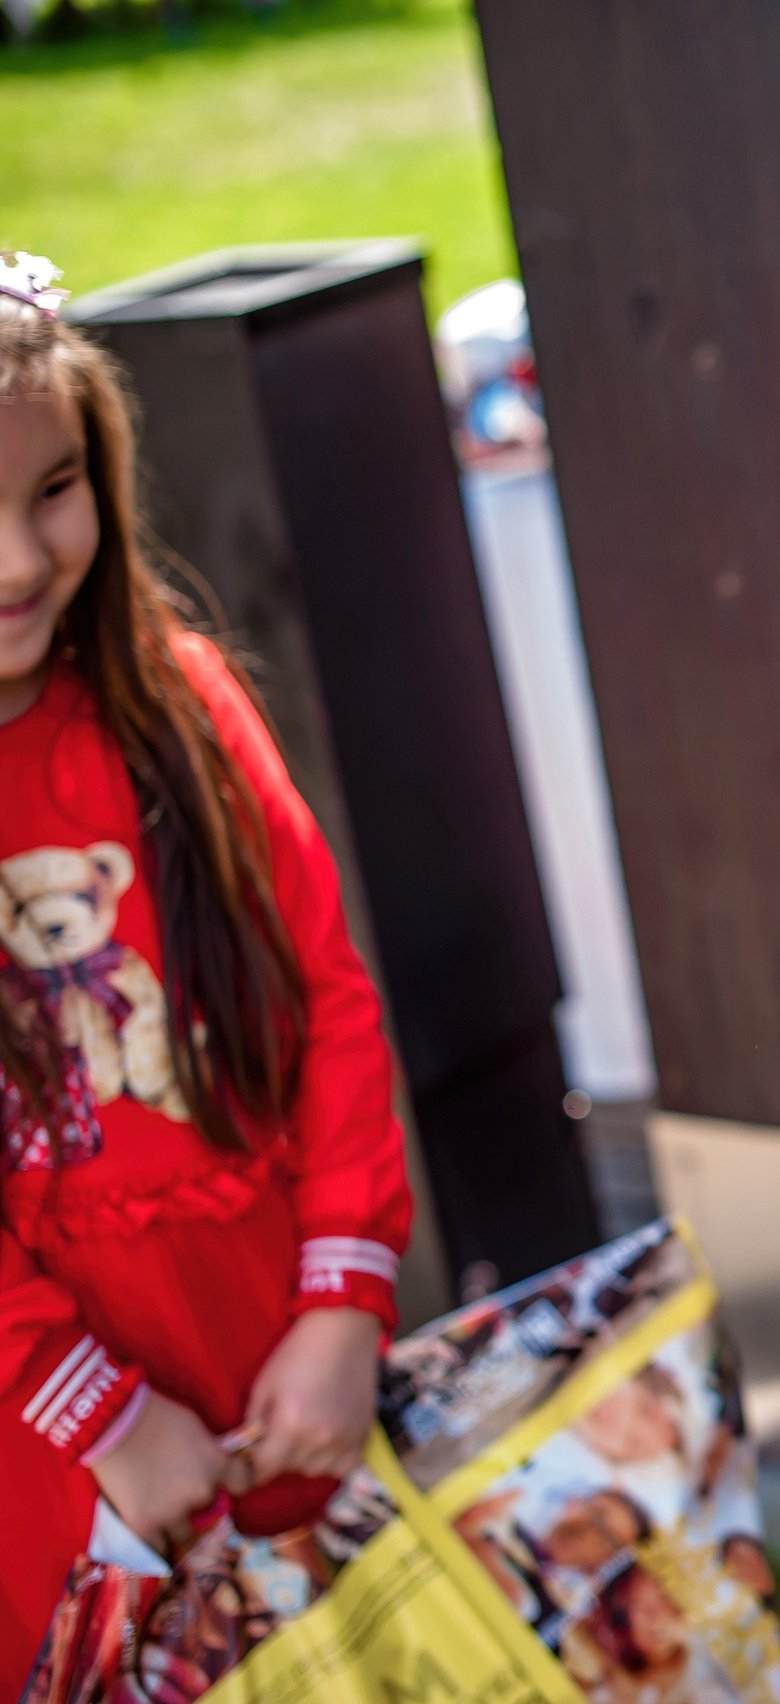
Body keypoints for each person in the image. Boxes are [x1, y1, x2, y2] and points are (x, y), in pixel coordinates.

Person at [0, 256, 410, 1691]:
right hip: (44, 1445)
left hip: (274, 1356)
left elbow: (330, 1003)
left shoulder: (180, 700)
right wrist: (98, 1417)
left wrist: (341, 1301)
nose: (19, 561)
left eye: (54, 488)